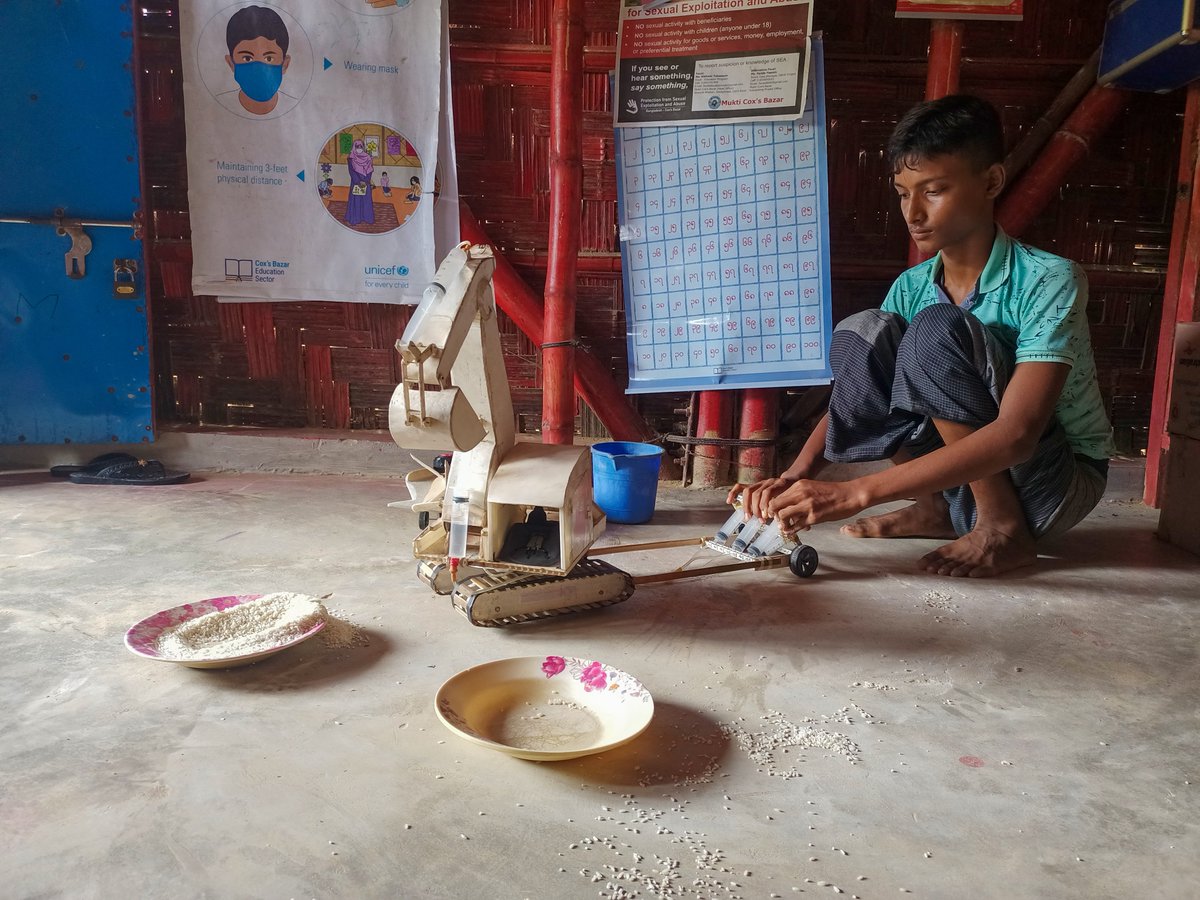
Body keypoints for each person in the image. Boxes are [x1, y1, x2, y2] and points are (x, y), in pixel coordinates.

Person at [729, 94, 1115, 578]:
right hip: (962, 481)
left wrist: (857, 492)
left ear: (991, 181)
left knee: (934, 332)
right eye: (902, 192)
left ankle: (1001, 527)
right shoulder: (912, 286)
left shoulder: (1049, 278)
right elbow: (857, 389)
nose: (913, 211)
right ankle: (936, 508)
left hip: (1050, 486)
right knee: (865, 334)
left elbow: (1018, 436)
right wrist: (793, 477)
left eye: (933, 190)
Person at [223, 5, 292, 116]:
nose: (258, 68)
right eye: (247, 58)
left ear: (285, 64)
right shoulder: (215, 110)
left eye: (269, 58)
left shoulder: (300, 113)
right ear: (231, 64)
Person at [345, 138, 375, 226]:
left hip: (366, 182)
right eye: (357, 146)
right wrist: (358, 181)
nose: (359, 148)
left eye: (361, 146)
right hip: (356, 182)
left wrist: (366, 181)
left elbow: (370, 170)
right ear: (354, 147)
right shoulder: (351, 158)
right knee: (356, 200)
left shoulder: (368, 158)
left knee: (366, 201)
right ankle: (356, 218)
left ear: (363, 147)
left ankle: (367, 218)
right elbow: (351, 171)